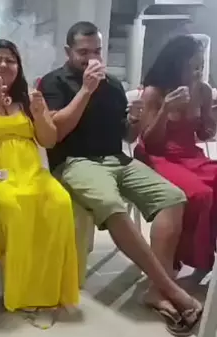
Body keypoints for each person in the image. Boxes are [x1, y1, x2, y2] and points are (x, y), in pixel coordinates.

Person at [39, 21, 202, 336]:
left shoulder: (112, 85)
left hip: (117, 159)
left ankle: (155, 290)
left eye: (97, 51)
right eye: (83, 52)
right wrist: (85, 90)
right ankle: (169, 288)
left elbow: (126, 135)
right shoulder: (53, 82)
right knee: (111, 205)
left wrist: (134, 121)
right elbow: (56, 132)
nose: (91, 59)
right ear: (68, 51)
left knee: (173, 197)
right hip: (76, 162)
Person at [0, 39, 79, 317]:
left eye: (10, 60)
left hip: (30, 173)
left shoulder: (28, 99)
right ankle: (23, 289)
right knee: (12, 206)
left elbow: (48, 140)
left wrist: (40, 114)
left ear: (18, 67)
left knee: (60, 202)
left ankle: (49, 288)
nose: (3, 65)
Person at [135, 35, 217, 281]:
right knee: (199, 194)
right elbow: (150, 142)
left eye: (201, 66)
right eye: (192, 67)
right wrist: (165, 110)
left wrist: (214, 117)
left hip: (191, 155)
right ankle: (193, 258)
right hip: (158, 156)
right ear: (175, 65)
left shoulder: (203, 90)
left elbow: (204, 134)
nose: (198, 72)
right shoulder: (154, 93)